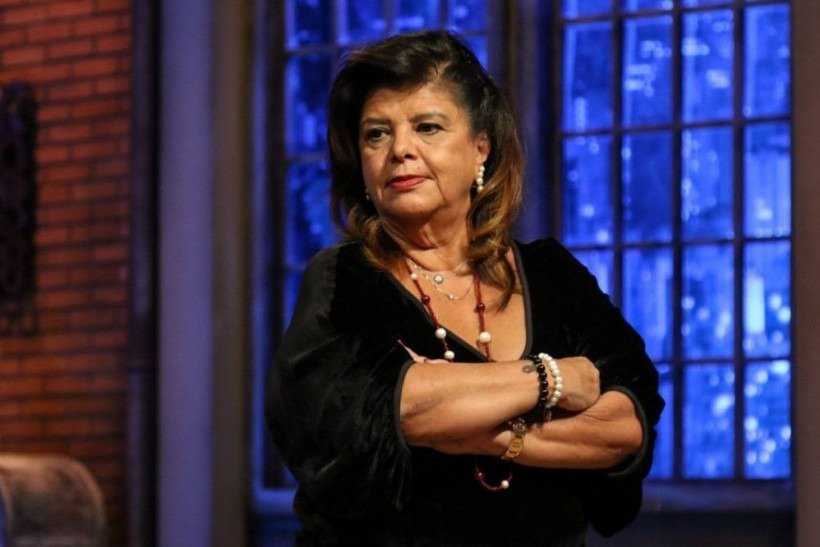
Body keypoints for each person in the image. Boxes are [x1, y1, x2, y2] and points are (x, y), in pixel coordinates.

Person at [266, 30, 664, 546]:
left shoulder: (552, 274)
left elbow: (625, 428)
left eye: (427, 127)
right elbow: (385, 416)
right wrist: (554, 379)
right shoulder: (342, 279)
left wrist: (471, 425)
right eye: (376, 134)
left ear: (481, 149)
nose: (400, 150)